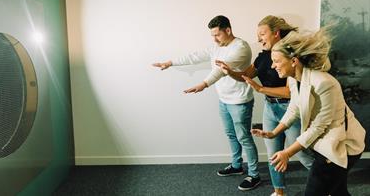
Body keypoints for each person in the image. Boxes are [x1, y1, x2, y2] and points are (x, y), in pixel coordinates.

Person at [252, 28, 366, 196]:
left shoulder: (324, 83)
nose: (272, 65)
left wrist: (287, 152)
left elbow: (319, 127)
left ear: (293, 61)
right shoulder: (293, 79)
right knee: (337, 191)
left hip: (343, 144)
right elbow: (294, 108)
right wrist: (273, 133)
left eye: (276, 60)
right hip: (325, 141)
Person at [152, 15, 261, 191]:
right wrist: (170, 63)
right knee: (231, 135)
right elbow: (195, 56)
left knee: (244, 137)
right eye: (212, 35)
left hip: (239, 101)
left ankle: (254, 175)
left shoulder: (241, 47)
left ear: (228, 30)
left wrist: (203, 84)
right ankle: (236, 166)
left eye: (217, 35)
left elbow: (220, 71)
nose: (214, 39)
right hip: (224, 100)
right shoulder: (216, 47)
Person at [216, 15, 314, 196]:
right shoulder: (262, 57)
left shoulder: (291, 57)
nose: (259, 38)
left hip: (290, 109)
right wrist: (229, 72)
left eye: (262, 34)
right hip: (270, 109)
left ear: (276, 33)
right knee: (273, 155)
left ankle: (328, 183)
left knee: (302, 155)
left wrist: (261, 89)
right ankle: (279, 192)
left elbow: (289, 92)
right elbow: (245, 75)